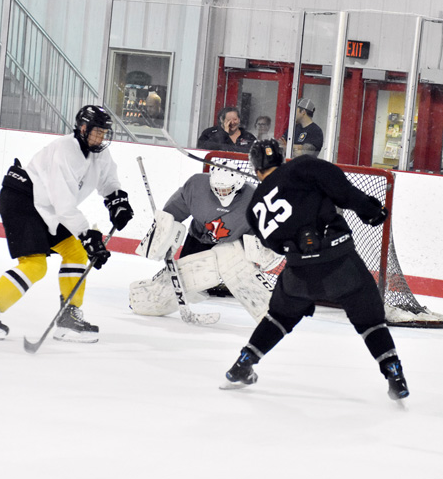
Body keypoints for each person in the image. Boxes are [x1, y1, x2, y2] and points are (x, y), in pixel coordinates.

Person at [222, 139, 409, 401]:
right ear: (281, 158)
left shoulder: (253, 208)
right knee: (370, 322)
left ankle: (243, 363)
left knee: (279, 317)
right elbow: (341, 189)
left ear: (255, 170)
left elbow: (275, 246)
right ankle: (394, 374)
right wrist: (371, 211)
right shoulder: (302, 166)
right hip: (341, 265)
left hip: (299, 273)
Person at [0, 105, 134, 343]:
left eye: (104, 132)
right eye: (97, 131)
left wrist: (117, 201)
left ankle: (68, 318)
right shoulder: (65, 150)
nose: (101, 137)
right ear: (83, 128)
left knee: (75, 252)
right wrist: (88, 235)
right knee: (35, 265)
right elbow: (64, 205)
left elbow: (108, 181)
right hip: (22, 200)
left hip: (47, 207)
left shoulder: (99, 154)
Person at [129, 162, 278, 322]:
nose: (221, 193)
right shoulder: (196, 186)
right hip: (199, 238)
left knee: (233, 263)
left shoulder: (253, 198)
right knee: (185, 276)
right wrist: (163, 233)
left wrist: (262, 252)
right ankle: (146, 299)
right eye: (217, 189)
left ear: (238, 186)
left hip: (233, 244)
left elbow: (266, 230)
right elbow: (172, 214)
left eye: (226, 190)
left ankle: (272, 312)